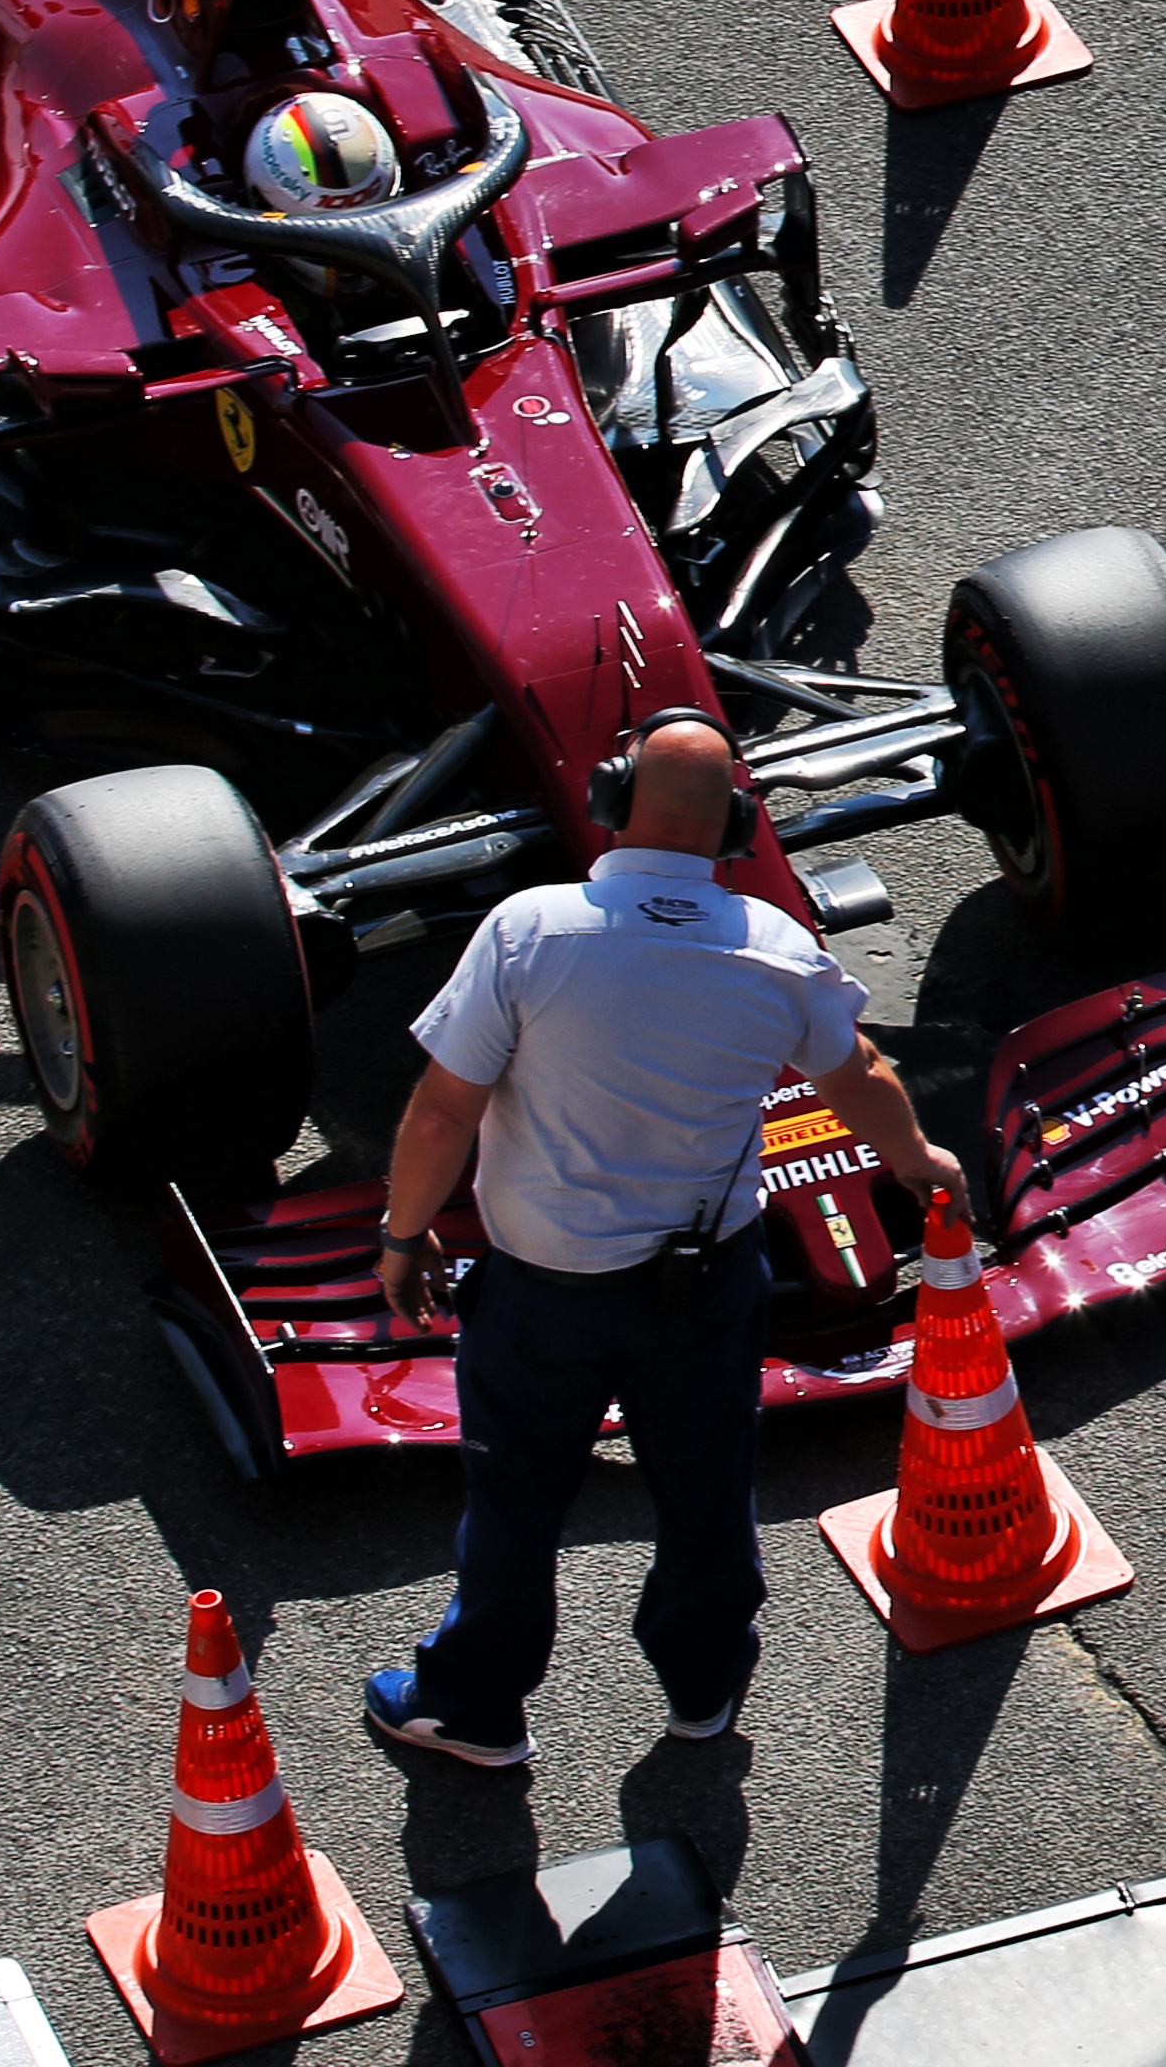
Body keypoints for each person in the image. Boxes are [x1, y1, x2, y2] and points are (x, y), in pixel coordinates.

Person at [363, 713, 959, 1767]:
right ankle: (702, 1689)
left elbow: (443, 1112)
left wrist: (404, 1238)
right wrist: (919, 1163)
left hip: (542, 1296)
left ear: (609, 799)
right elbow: (857, 1075)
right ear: (733, 823)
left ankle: (475, 1707)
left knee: (515, 1501)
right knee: (704, 1489)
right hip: (705, 1288)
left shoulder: (527, 931)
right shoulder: (777, 950)